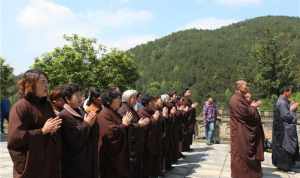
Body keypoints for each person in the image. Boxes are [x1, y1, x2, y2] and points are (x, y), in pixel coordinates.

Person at [7, 69, 62, 178]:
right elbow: (14, 139)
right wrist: (42, 131)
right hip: (31, 168)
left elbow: (51, 128)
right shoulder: (20, 106)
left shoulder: (46, 105)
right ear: (30, 85)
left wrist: (54, 128)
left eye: (47, 82)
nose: (46, 86)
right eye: (42, 82)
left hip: (49, 163)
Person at [59, 84, 99, 178]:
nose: (80, 98)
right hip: (74, 164)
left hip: (87, 160)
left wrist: (93, 121)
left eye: (80, 95)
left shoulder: (81, 111)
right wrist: (87, 124)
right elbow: (73, 141)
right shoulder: (64, 116)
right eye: (77, 96)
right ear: (67, 99)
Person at [229, 80, 264, 178]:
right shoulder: (235, 99)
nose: (247, 87)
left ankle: (251, 174)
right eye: (245, 85)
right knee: (241, 154)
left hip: (244, 131)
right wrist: (253, 106)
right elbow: (245, 114)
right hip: (240, 132)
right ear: (239, 87)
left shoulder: (241, 98)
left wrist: (251, 106)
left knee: (246, 153)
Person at [98, 89, 133, 178]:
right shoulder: (104, 114)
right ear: (110, 101)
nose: (120, 101)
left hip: (119, 156)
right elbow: (110, 134)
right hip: (110, 157)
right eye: (117, 99)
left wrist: (125, 124)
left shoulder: (113, 112)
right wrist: (124, 125)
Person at [118, 89, 150, 178]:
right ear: (129, 98)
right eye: (135, 98)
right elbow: (127, 126)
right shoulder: (124, 110)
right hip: (131, 147)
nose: (136, 100)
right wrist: (139, 124)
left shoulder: (130, 108)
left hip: (135, 146)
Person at [272, 86, 299, 171]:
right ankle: (284, 166)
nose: (291, 93)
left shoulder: (284, 101)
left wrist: (291, 106)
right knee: (286, 146)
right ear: (285, 92)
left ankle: (288, 164)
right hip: (284, 129)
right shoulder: (282, 102)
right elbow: (286, 116)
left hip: (285, 128)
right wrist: (292, 109)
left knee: (288, 145)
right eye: (290, 91)